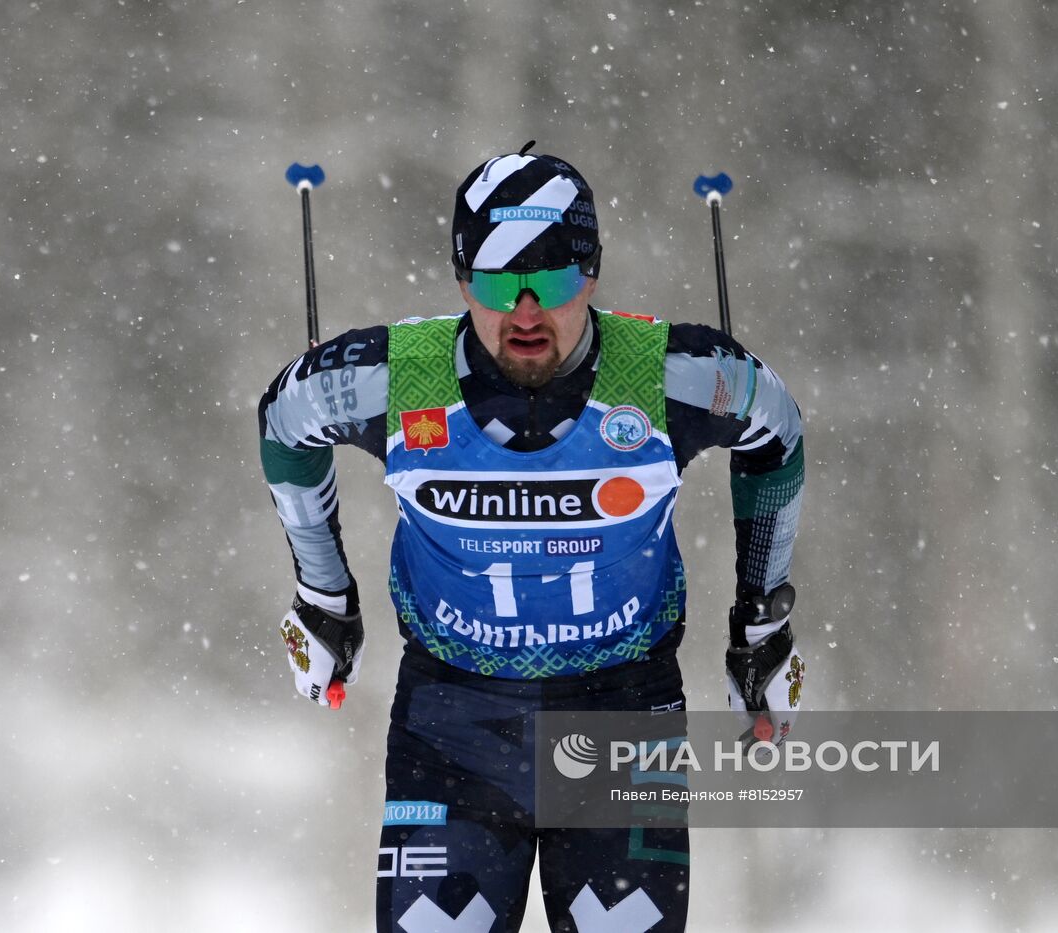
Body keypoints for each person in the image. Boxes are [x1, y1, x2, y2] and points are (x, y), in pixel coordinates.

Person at [258, 142, 806, 932]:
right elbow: (286, 420)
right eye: (494, 281)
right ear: (460, 280)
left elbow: (775, 430)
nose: (523, 311)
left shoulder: (664, 375)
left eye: (549, 280)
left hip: (621, 714)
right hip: (453, 721)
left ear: (590, 275)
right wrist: (322, 593)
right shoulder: (399, 378)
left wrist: (764, 617)